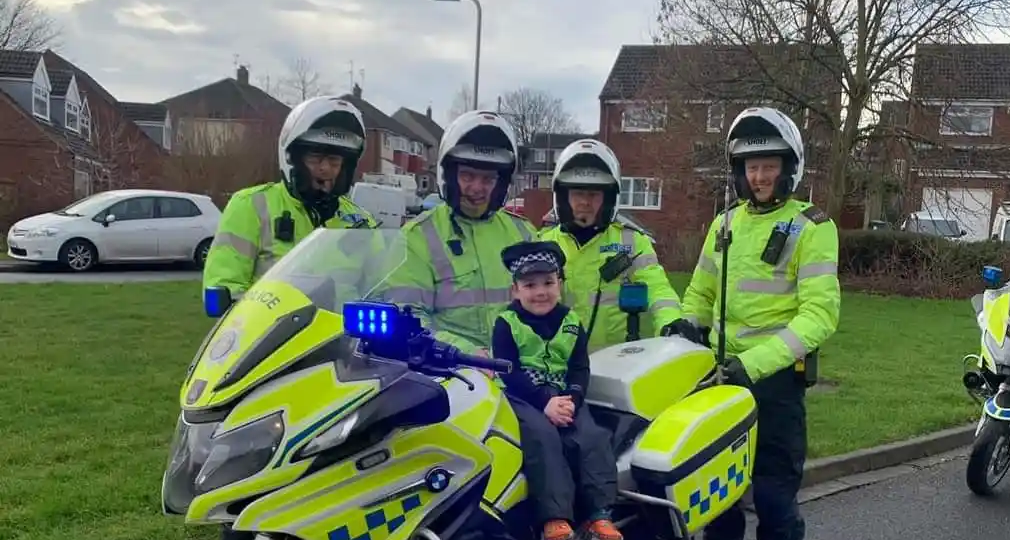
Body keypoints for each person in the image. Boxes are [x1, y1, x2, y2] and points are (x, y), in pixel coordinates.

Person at [669, 106, 840, 540]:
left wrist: (754, 363)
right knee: (717, 491)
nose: (759, 176)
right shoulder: (724, 225)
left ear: (789, 167)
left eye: (769, 165)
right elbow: (699, 291)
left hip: (774, 383)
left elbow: (820, 314)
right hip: (722, 377)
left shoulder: (814, 227)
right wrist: (685, 329)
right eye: (750, 166)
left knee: (772, 496)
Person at [492, 241, 623, 540]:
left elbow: (580, 368)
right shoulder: (506, 323)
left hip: (564, 394)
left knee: (591, 436)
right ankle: (554, 516)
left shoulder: (572, 321)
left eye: (549, 283)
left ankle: (599, 512)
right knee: (543, 437)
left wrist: (572, 401)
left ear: (560, 284)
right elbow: (508, 370)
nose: (541, 292)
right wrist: (544, 403)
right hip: (524, 397)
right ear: (515, 290)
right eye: (530, 285)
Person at [202, 95, 376, 300]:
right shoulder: (252, 206)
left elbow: (387, 284)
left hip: (343, 331)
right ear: (293, 158)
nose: (325, 168)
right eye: (315, 157)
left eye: (334, 160)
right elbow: (224, 283)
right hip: (272, 330)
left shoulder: (361, 222)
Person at [396, 110, 535, 354]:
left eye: (488, 179)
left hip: (518, 373)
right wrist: (463, 352)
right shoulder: (417, 236)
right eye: (467, 175)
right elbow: (407, 317)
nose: (477, 188)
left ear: (501, 184)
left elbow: (546, 307)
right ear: (448, 175)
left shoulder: (525, 234)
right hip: (450, 374)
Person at [540, 139, 682, 350]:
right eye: (578, 193)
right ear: (562, 196)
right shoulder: (542, 245)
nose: (585, 202)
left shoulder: (632, 242)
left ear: (608, 198)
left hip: (616, 365)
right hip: (558, 365)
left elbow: (658, 289)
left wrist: (672, 323)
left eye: (593, 194)